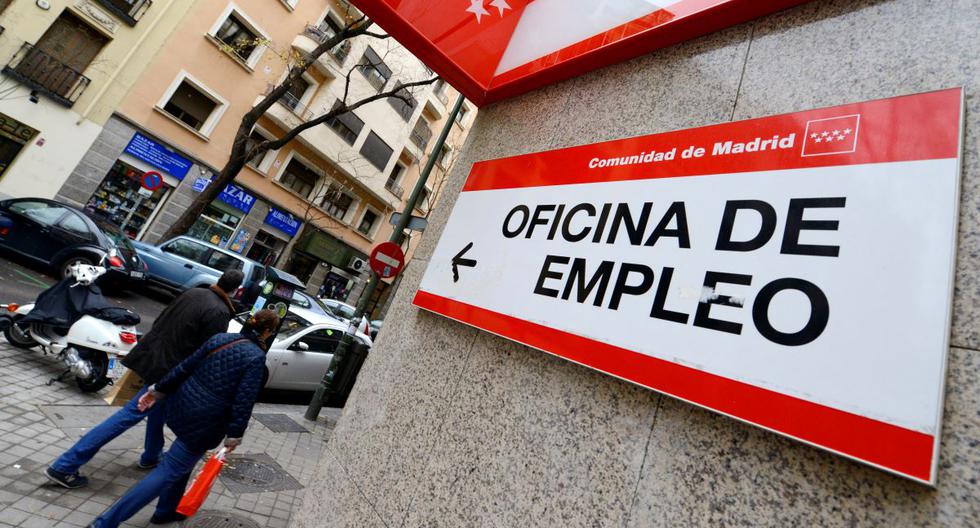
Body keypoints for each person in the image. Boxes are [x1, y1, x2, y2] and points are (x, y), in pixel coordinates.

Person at [46, 270, 244, 489]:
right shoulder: (219, 312)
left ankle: (151, 456)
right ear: (237, 290)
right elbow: (204, 352)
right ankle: (65, 465)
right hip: (167, 370)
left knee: (156, 411)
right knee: (128, 415)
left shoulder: (195, 293)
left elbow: (162, 318)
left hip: (150, 355)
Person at [87, 310, 279, 528]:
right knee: (169, 470)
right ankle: (105, 523)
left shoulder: (221, 339)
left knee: (181, 464)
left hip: (183, 406)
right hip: (206, 424)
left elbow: (185, 367)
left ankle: (166, 511)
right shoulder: (255, 358)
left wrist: (157, 391)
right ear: (266, 332)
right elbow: (243, 401)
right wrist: (234, 435)